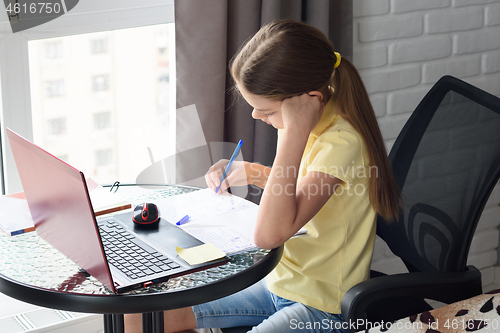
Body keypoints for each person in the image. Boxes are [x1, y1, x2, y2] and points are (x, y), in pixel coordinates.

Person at [125, 19, 401, 333]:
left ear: (304, 100)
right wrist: (255, 173)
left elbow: (269, 236)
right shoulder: (308, 115)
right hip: (277, 281)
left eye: (266, 111)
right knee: (139, 316)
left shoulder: (340, 143)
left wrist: (294, 134)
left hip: (321, 304)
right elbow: (300, 191)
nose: (257, 115)